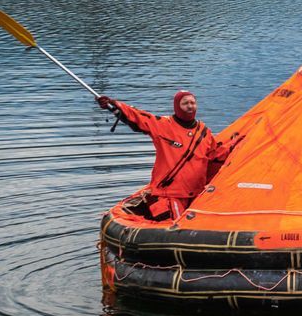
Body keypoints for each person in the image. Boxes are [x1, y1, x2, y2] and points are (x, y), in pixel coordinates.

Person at [97, 89, 240, 222]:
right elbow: (140, 117)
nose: (190, 106)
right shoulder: (163, 125)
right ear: (177, 106)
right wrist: (115, 105)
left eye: (192, 103)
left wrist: (236, 144)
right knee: (177, 226)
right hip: (170, 194)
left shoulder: (203, 131)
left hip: (196, 193)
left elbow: (215, 155)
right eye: (185, 103)